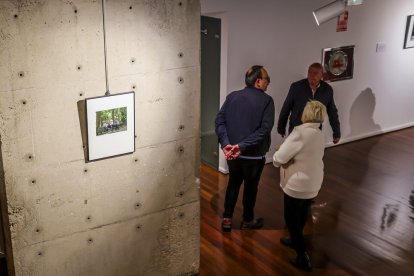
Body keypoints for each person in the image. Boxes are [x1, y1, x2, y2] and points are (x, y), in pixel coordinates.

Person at [215, 65, 275, 232]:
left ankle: (227, 218)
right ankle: (247, 220)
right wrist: (241, 146)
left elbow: (219, 122)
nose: (268, 82)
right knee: (250, 187)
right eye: (266, 79)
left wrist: (227, 144)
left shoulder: (232, 97)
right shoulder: (267, 101)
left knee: (233, 183)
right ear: (258, 82)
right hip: (253, 156)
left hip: (233, 156)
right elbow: (264, 130)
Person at [273, 100, 327, 272]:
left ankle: (302, 255)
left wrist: (279, 151)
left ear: (306, 114)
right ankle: (295, 239)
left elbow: (279, 158)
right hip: (314, 182)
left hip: (297, 184)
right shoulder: (320, 134)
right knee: (303, 213)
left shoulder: (299, 133)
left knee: (291, 219)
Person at [277, 62, 341, 144]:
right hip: (296, 130)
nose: (311, 76)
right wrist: (281, 128)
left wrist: (337, 132)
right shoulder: (296, 87)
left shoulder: (327, 90)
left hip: (315, 131)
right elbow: (286, 108)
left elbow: (332, 113)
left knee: (312, 155)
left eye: (315, 73)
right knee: (295, 155)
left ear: (322, 75)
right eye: (309, 72)